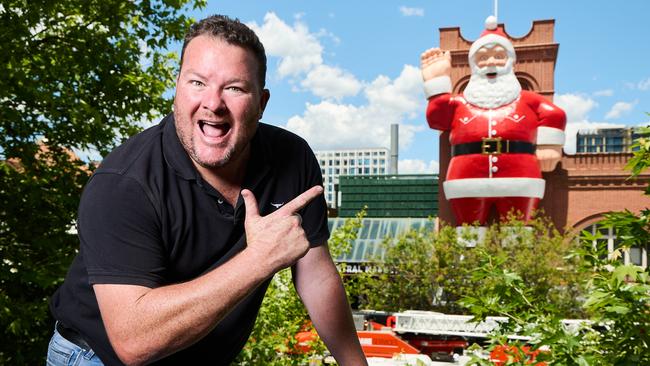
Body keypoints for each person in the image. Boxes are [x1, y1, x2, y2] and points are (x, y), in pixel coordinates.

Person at [47, 14, 367, 366]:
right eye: (197, 82)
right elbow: (133, 341)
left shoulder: (293, 158)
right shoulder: (124, 183)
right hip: (97, 355)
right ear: (177, 89)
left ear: (261, 103)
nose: (213, 103)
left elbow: (316, 275)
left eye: (234, 88)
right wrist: (257, 261)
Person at [420, 15, 566, 227]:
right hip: (466, 179)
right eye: (482, 57)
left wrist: (549, 145)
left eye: (498, 56)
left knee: (518, 234)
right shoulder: (459, 103)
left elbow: (555, 114)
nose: (490, 62)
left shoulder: (527, 100)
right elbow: (437, 119)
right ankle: (467, 261)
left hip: (520, 177)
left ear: (511, 62)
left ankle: (518, 261)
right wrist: (437, 83)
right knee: (468, 234)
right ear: (473, 65)